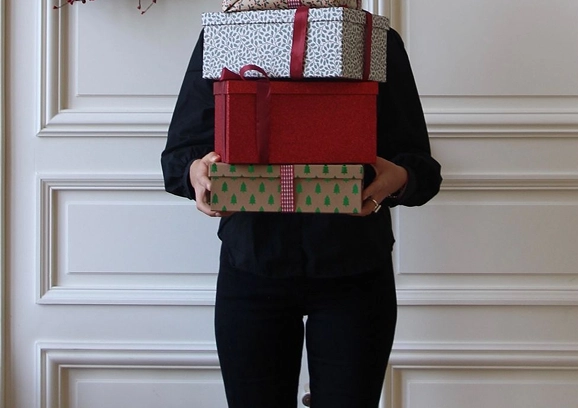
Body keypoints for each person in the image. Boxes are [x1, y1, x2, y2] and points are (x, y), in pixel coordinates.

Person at [162, 27, 442, 408]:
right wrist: (196, 172)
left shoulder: (372, 38)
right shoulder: (224, 36)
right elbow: (179, 156)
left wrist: (398, 179)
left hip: (356, 273)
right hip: (251, 269)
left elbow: (422, 169)